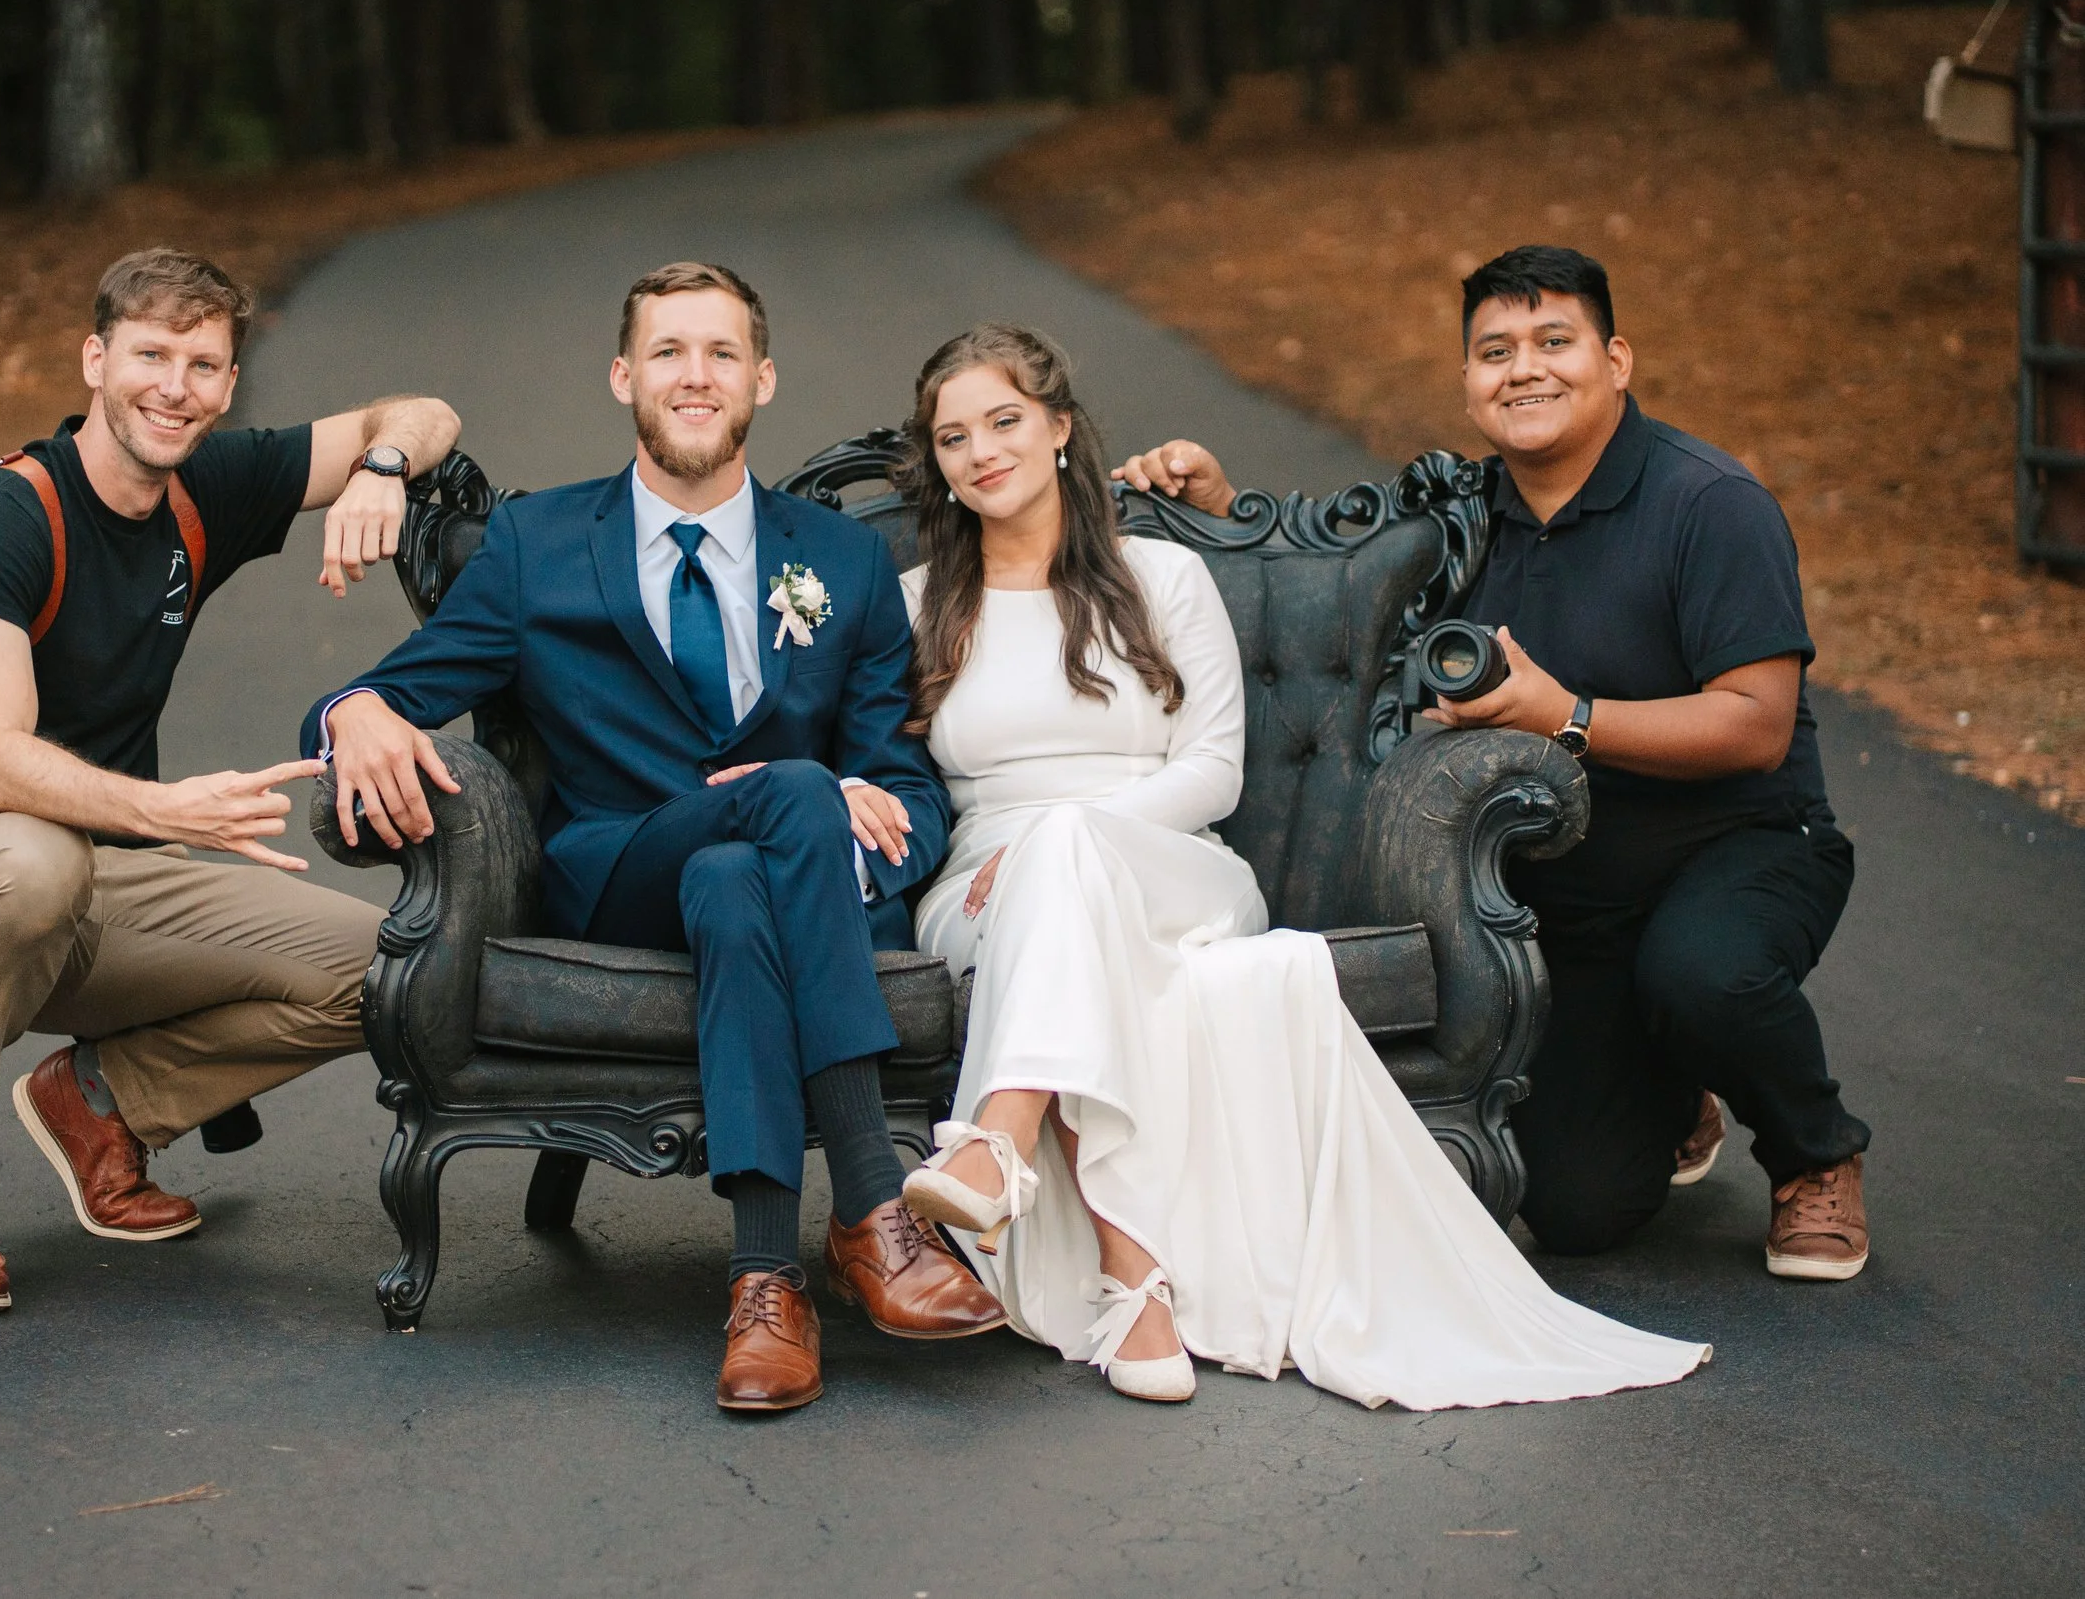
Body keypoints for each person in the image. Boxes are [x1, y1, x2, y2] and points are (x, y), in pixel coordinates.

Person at [895, 322, 1712, 1409]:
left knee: (1072, 855)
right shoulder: (914, 604)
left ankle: (1002, 1146)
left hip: (1175, 865)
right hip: (986, 891)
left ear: (1057, 428)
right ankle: (1132, 1278)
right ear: (938, 464)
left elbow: (1214, 770)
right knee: (1062, 897)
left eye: (1003, 420)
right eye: (954, 437)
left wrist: (1072, 831)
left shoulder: (1166, 575)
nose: (981, 451)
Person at [309, 262, 1005, 1414]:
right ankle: (877, 1216)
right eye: (670, 351)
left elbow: (908, 790)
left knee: (744, 871)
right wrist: (355, 710)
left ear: (761, 380)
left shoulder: (840, 562)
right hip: (617, 869)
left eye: (722, 352)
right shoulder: (538, 544)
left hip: (779, 884)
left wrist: (863, 814)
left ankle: (764, 1283)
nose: (696, 374)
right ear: (625, 375)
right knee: (788, 788)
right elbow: (380, 694)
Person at [1118, 243, 1870, 1281]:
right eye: (1493, 350)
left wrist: (1562, 713)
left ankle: (1812, 1153)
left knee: (1703, 973)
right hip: (1572, 902)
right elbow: (1331, 598)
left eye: (1553, 341)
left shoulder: (1709, 503)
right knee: (1570, 1207)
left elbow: (1755, 724)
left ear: (1616, 360)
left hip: (1739, 848)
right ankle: (1673, 1076)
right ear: (1468, 381)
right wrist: (1215, 511)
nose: (1524, 368)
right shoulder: (1461, 517)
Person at [0, 247, 462, 1316]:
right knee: (30, 855)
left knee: (390, 967)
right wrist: (164, 810)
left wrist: (381, 469)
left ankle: (101, 1104)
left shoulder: (204, 485)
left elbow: (422, 410)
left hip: (105, 884)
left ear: (229, 384)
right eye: (150, 355)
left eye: (204, 364)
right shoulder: (3, 518)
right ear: (95, 360)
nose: (174, 387)